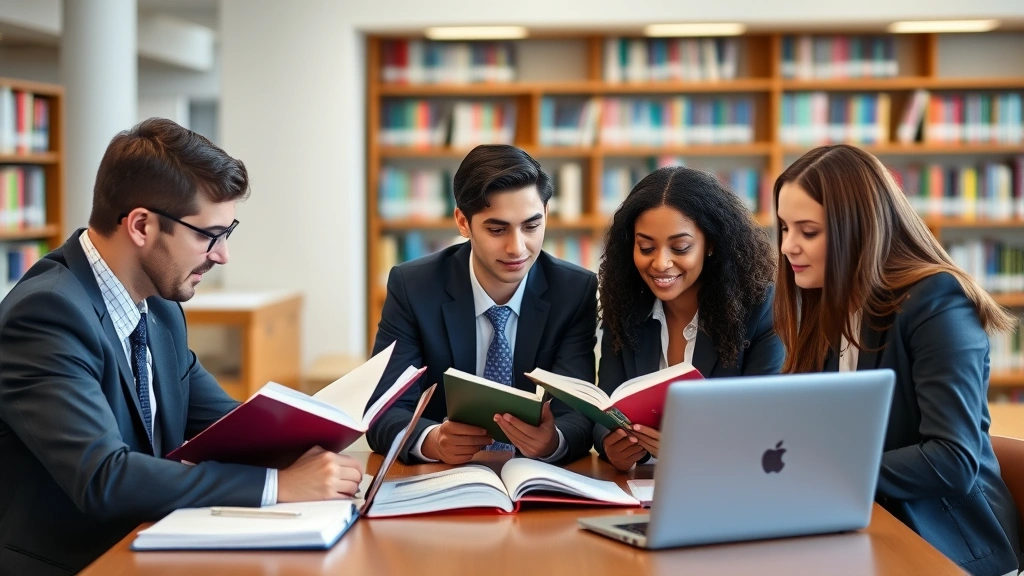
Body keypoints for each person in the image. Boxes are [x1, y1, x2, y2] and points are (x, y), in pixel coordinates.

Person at [0, 119, 364, 576]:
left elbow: (226, 423)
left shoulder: (160, 308)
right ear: (141, 225)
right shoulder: (48, 314)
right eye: (207, 235)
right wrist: (278, 484)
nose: (221, 254)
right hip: (76, 562)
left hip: (152, 544)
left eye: (227, 232)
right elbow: (103, 477)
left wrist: (315, 445)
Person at [774, 144, 1022, 576]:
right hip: (859, 527)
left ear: (859, 228)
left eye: (808, 231)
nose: (787, 247)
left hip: (946, 544)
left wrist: (825, 471)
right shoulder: (826, 303)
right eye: (783, 228)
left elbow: (953, 459)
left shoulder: (939, 302)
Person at [365, 144, 597, 465]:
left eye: (531, 226)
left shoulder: (573, 291)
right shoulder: (414, 287)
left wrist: (551, 441)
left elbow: (579, 414)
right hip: (442, 480)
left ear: (546, 213)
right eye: (497, 229)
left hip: (532, 480)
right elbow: (383, 410)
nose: (517, 248)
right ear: (463, 222)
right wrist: (432, 441)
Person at [594, 166, 783, 471]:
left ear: (711, 244)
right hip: (642, 488)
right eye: (646, 247)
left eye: (680, 247)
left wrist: (690, 448)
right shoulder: (625, 305)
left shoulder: (761, 309)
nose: (661, 262)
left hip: (728, 484)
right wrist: (611, 446)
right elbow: (605, 410)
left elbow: (766, 425)